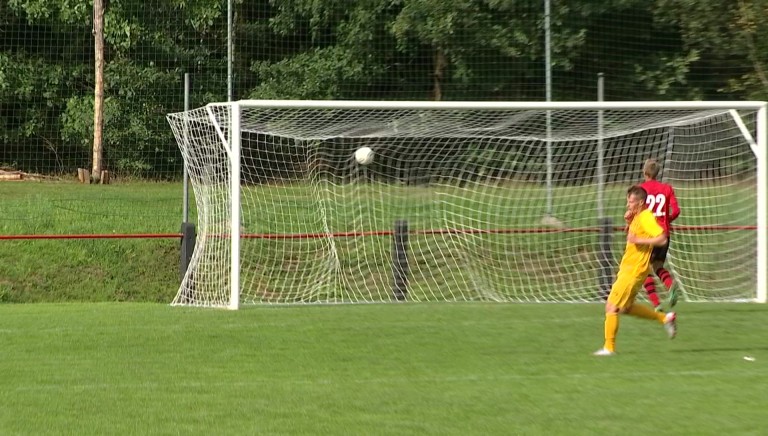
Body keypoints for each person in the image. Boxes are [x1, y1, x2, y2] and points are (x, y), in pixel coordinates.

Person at [594, 185, 677, 356]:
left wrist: (638, 240)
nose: (628, 205)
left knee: (611, 307)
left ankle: (609, 348)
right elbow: (633, 234)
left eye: (631, 202)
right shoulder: (638, 216)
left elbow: (662, 238)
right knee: (625, 308)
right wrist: (629, 221)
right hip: (630, 268)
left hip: (633, 270)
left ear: (640, 202)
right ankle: (665, 318)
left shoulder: (647, 217)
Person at [639, 158, 680, 311]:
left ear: (644, 172)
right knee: (657, 266)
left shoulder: (640, 189)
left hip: (648, 234)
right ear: (657, 173)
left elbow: (636, 212)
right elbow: (676, 211)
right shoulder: (667, 188)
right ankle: (670, 285)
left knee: (643, 269)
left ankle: (656, 304)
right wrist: (666, 220)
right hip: (664, 234)